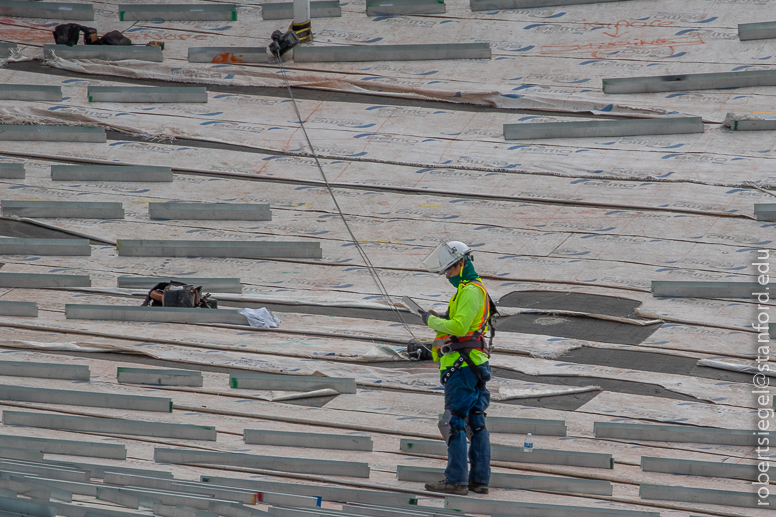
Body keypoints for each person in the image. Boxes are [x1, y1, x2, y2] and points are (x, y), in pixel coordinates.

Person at [418, 241, 492, 496]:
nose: (447, 275)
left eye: (449, 270)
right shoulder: (468, 290)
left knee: (456, 423)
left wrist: (431, 320)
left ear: (461, 264)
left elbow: (460, 328)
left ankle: (457, 480)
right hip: (471, 365)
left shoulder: (471, 291)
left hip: (463, 367)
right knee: (476, 422)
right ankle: (479, 480)